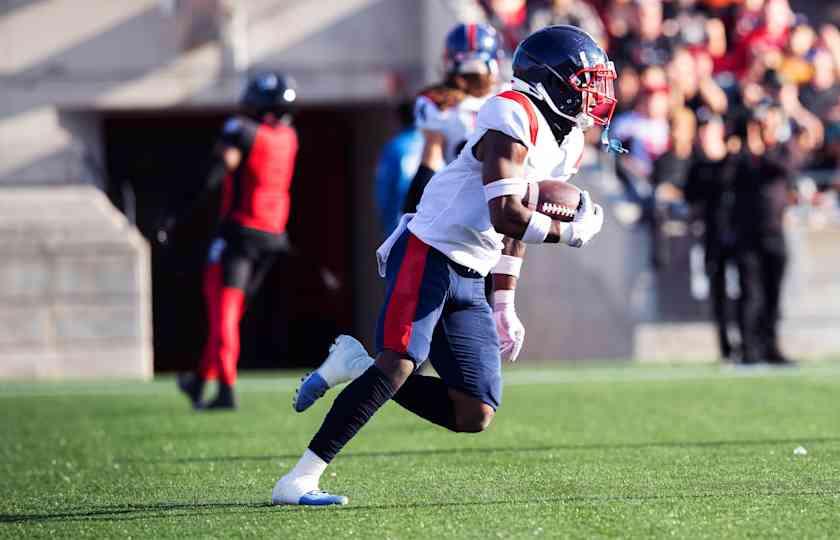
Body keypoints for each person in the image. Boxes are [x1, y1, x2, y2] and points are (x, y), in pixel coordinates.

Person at [272, 25, 613, 506]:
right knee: (398, 365)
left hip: (472, 271)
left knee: (474, 411)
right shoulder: (511, 111)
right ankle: (301, 478)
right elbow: (508, 213)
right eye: (584, 80)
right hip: (429, 249)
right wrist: (570, 232)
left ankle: (355, 363)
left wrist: (505, 302)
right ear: (551, 80)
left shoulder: (570, 143)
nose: (594, 93)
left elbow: (512, 230)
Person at [167, 72, 299, 409]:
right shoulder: (289, 137)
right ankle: (199, 381)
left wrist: (178, 214)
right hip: (272, 234)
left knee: (222, 312)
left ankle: (225, 390)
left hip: (240, 233)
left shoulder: (241, 131)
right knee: (230, 315)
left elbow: (219, 170)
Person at [401, 22, 502, 213]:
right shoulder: (507, 98)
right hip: (504, 196)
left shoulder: (436, 102)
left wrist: (410, 213)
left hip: (458, 201)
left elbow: (431, 160)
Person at [732, 102, 799, 365]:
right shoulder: (744, 153)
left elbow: (784, 168)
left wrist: (763, 148)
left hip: (775, 232)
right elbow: (735, 174)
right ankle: (749, 349)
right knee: (751, 293)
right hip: (748, 232)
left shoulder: (782, 151)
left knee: (773, 294)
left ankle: (771, 347)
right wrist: (751, 146)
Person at [684, 110, 740, 361]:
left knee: (745, 291)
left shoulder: (734, 162)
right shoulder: (697, 166)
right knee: (718, 294)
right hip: (712, 237)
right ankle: (726, 347)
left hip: (738, 236)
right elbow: (690, 198)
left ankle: (747, 340)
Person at [374, 102, 423, 238]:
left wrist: (384, 222)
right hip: (431, 226)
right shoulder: (432, 144)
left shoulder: (394, 147)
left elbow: (383, 191)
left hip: (399, 225)